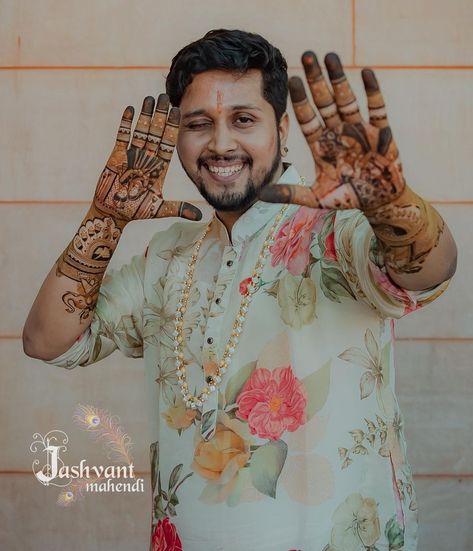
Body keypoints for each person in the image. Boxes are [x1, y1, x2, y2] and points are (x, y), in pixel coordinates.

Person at [23, 29, 457, 551]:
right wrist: (105, 219)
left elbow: (429, 268)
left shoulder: (335, 231)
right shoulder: (167, 255)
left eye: (243, 120)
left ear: (282, 126)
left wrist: (388, 203)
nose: (221, 143)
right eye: (199, 124)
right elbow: (48, 340)